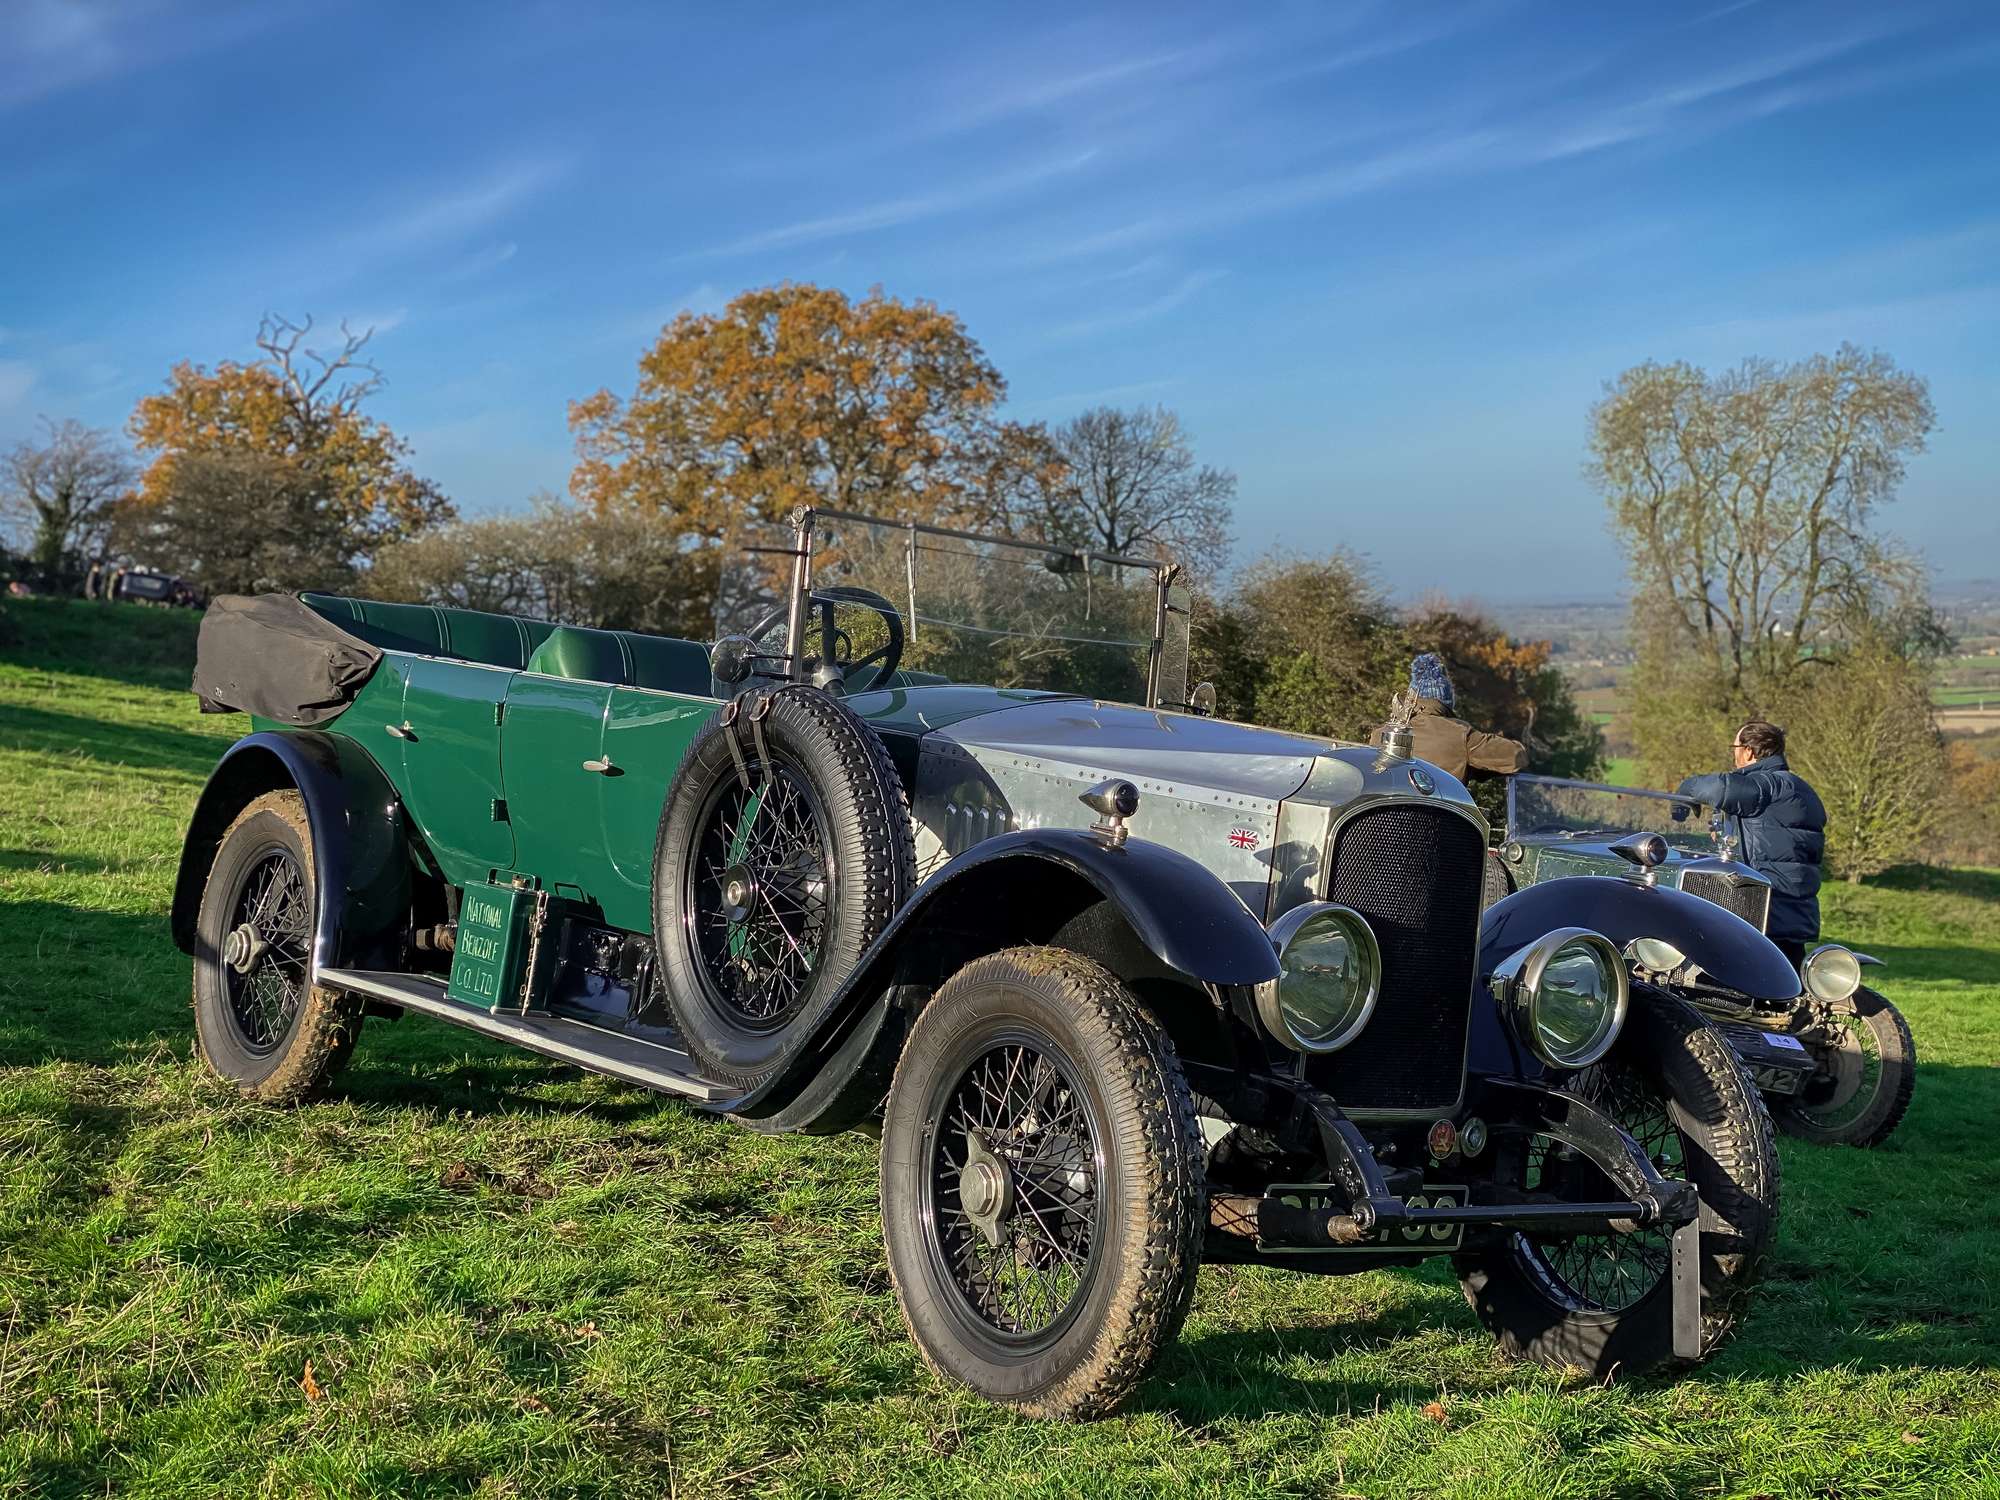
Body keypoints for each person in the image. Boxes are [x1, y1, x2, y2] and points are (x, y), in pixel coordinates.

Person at [1674, 720, 1826, 968]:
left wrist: (1684, 791)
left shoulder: (1766, 785)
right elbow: (1775, 838)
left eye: (1735, 746)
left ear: (1749, 751)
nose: (1733, 753)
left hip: (1764, 908)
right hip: (1794, 914)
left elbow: (1717, 787)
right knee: (1784, 989)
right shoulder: (1802, 790)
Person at [1370, 653, 1527, 782]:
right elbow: (1516, 757)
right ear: (1446, 699)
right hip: (1436, 819)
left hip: (1378, 819)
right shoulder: (1460, 734)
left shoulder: (1379, 734)